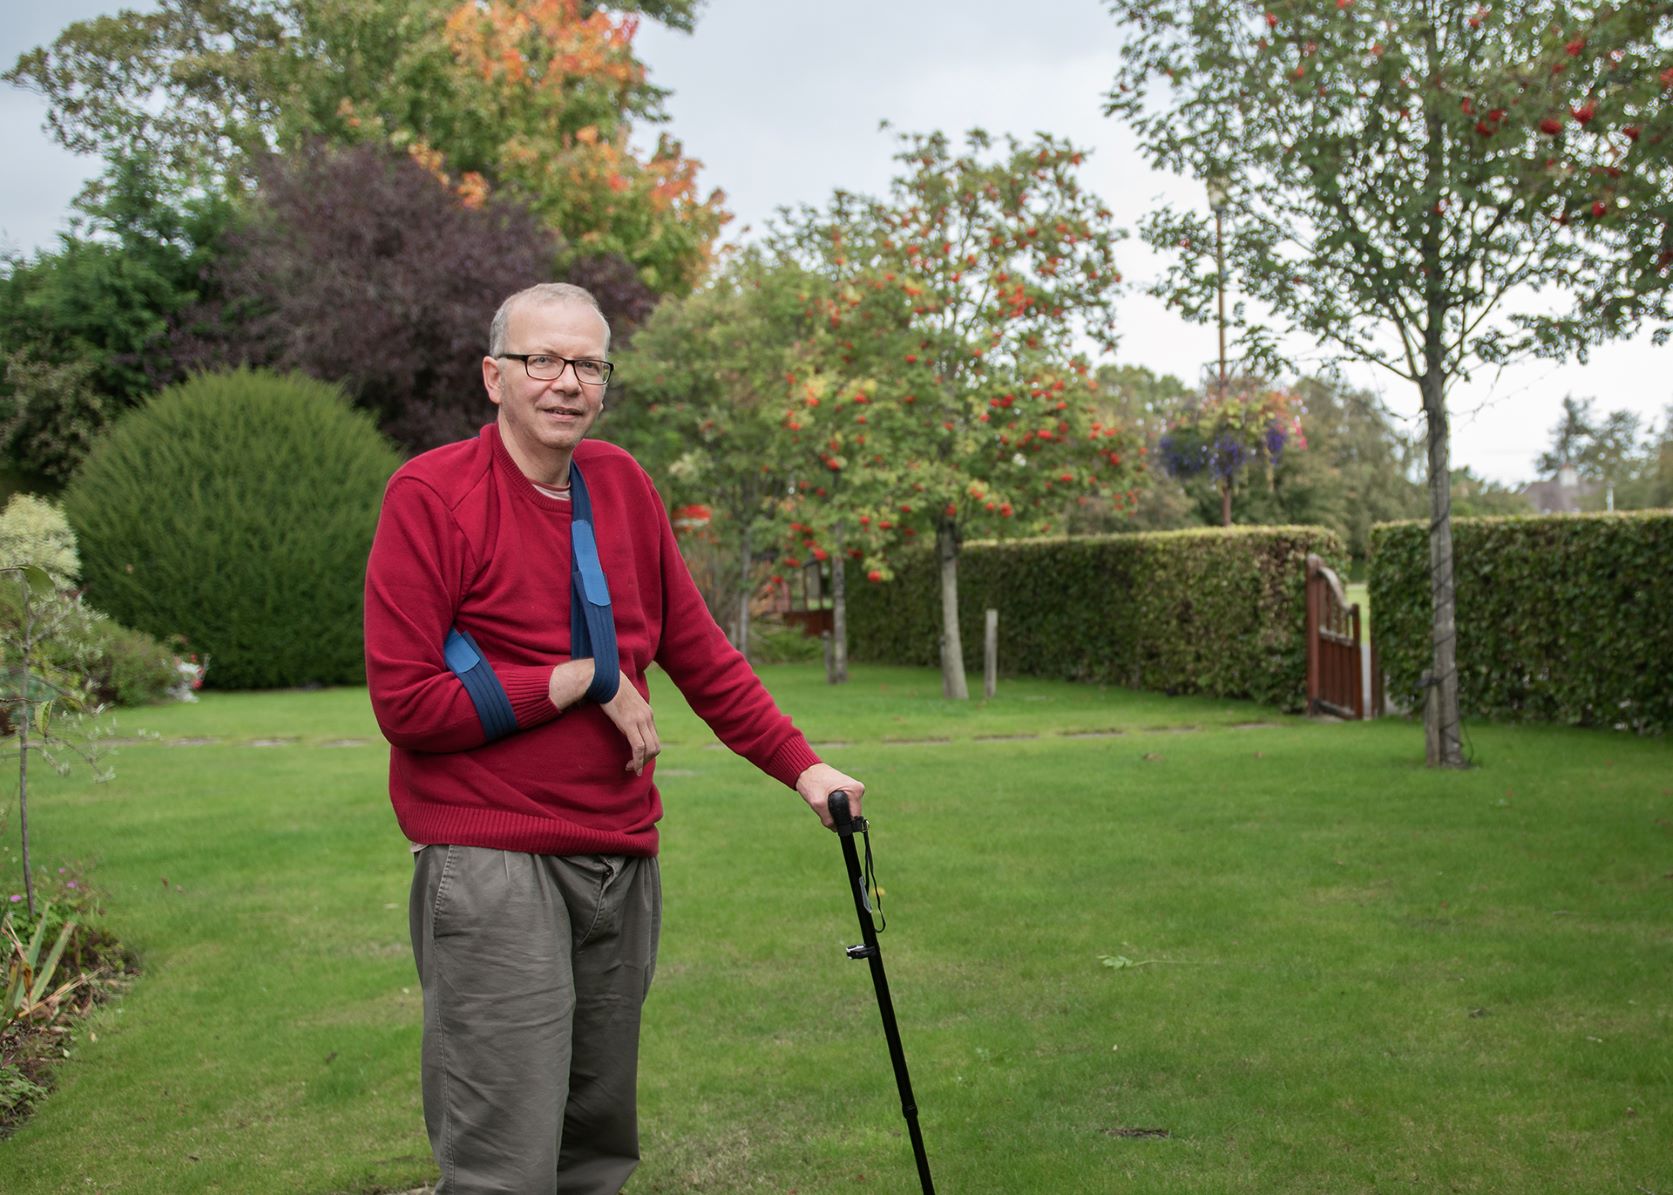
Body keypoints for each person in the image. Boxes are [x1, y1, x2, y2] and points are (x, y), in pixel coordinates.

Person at [363, 282, 864, 1194]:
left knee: (595, 1146)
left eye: (587, 364)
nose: (566, 382)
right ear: (493, 375)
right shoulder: (431, 496)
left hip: (620, 856)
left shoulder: (622, 486)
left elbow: (701, 653)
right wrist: (582, 677)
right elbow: (407, 704)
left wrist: (803, 765)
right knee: (502, 1160)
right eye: (541, 360)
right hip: (491, 856)